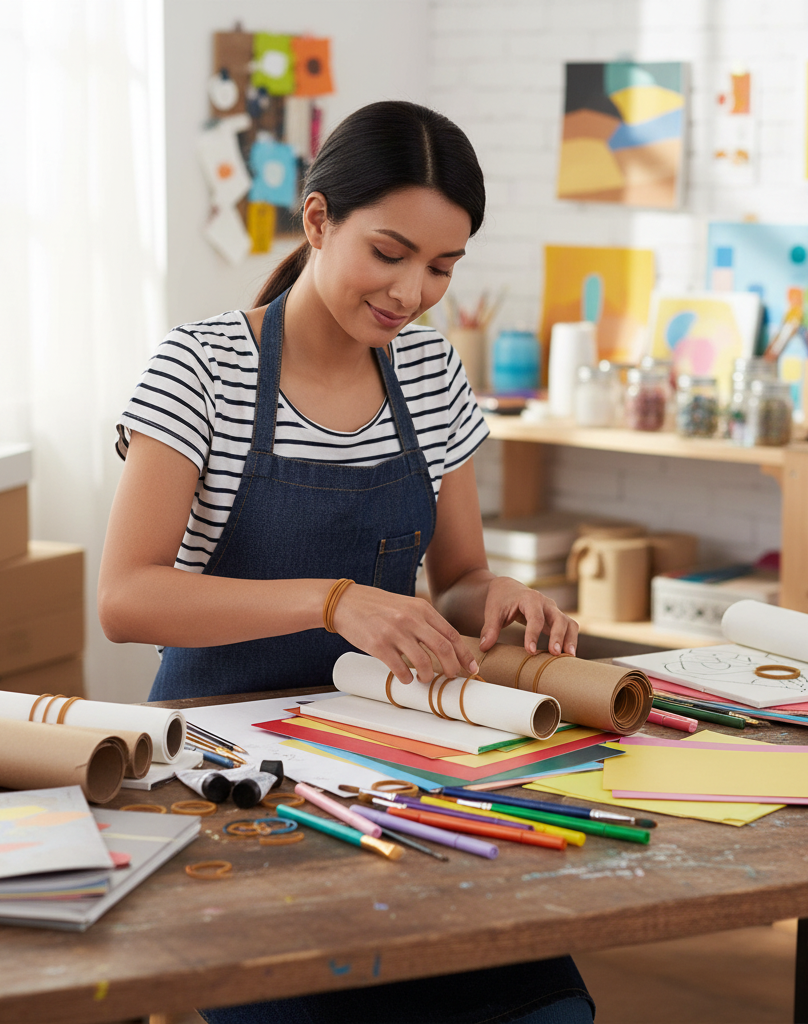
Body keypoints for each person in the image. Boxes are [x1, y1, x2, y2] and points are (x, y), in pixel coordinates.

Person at [99, 100, 592, 1024]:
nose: (412, 293)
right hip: (223, 764)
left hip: (385, 750)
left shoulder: (432, 374)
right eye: (390, 253)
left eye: (442, 267)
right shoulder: (200, 368)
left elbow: (457, 579)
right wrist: (333, 602)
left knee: (544, 1008)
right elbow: (125, 600)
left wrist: (504, 595)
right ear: (318, 220)